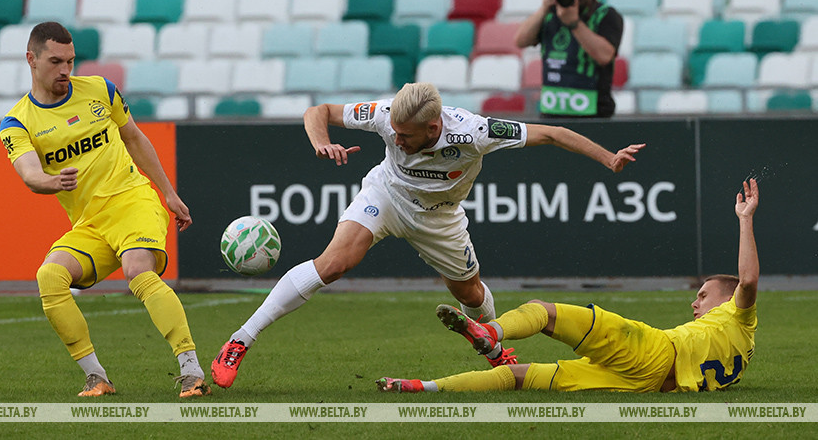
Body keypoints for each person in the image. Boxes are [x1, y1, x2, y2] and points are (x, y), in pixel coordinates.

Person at [211, 82, 646, 388]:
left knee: (472, 294)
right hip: (386, 196)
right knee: (335, 263)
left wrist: (608, 159)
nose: (396, 139)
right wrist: (321, 141)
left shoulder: (474, 131)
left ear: (434, 127)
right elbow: (318, 112)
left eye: (405, 136)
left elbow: (551, 133)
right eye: (393, 133)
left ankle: (493, 346)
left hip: (440, 219)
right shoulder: (387, 114)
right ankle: (238, 341)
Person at [377, 179, 760, 394]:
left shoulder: (739, 313)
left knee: (544, 312)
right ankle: (421, 387)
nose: (695, 303)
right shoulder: (743, 346)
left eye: (703, 295)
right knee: (518, 378)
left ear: (728, 298)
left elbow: (749, 280)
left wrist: (745, 220)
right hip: (652, 387)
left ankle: (489, 331)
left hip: (653, 352)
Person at [0, 22, 211, 398]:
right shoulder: (17, 122)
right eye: (56, 61)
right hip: (91, 223)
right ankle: (97, 377)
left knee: (136, 271)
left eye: (71, 60)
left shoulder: (100, 90)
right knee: (49, 277)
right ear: (31, 60)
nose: (66, 70)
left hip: (132, 200)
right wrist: (52, 182)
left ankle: (191, 370)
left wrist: (169, 194)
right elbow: (30, 174)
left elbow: (134, 138)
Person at [514, 0, 624, 118]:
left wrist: (574, 24)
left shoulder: (606, 15)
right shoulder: (551, 13)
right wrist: (543, 9)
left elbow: (605, 56)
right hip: (552, 112)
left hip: (593, 114)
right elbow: (521, 41)